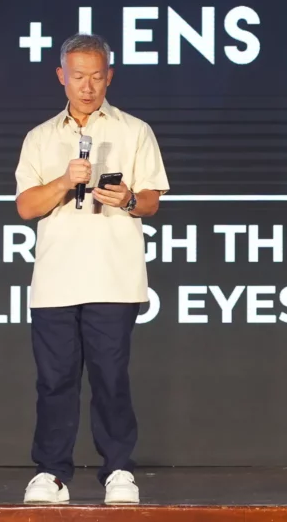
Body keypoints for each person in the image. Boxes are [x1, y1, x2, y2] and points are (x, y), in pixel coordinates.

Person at [14, 33, 169, 505]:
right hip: (57, 282)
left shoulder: (134, 130)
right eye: (78, 76)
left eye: (96, 77)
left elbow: (153, 200)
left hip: (113, 278)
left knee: (110, 377)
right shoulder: (40, 138)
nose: (87, 86)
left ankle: (119, 469)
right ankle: (52, 473)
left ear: (110, 77)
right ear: (61, 76)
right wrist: (64, 180)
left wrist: (128, 199)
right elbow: (25, 206)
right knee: (55, 380)